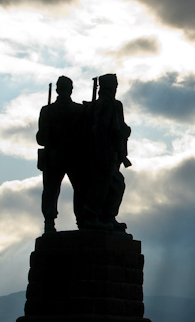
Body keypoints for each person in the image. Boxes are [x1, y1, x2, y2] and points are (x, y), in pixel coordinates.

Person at [81, 73, 131, 232]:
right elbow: (100, 129)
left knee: (109, 185)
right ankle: (94, 217)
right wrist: (101, 153)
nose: (116, 88)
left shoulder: (113, 104)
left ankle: (106, 217)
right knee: (107, 184)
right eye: (114, 85)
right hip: (103, 153)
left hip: (109, 153)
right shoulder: (105, 104)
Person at [36, 76, 85, 234]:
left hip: (56, 156)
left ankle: (49, 222)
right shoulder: (79, 110)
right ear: (71, 89)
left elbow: (40, 138)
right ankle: (82, 221)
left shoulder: (48, 110)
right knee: (80, 190)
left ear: (57, 90)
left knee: (51, 190)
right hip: (73, 156)